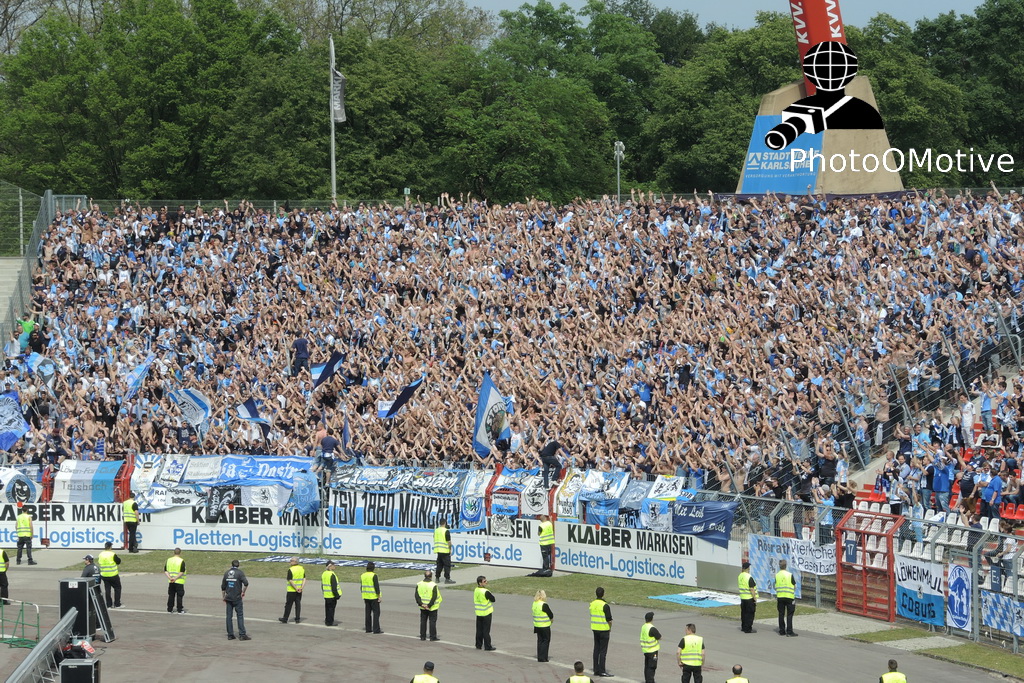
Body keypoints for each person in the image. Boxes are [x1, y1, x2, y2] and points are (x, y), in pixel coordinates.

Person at [222, 559, 250, 641]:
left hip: (228, 597)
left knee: (229, 616)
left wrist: (223, 597)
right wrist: (243, 592)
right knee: (240, 615)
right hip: (237, 597)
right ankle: (242, 634)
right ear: (238, 565)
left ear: (231, 565)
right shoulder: (240, 573)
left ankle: (230, 635)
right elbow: (246, 583)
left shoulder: (226, 573)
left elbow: (223, 587)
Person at [590, 586, 613, 677]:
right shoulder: (605, 605)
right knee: (603, 651)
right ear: (603, 594)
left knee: (596, 649)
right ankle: (602, 670)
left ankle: (596, 669)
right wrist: (610, 627)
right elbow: (609, 619)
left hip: (595, 628)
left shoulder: (592, 604)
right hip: (604, 629)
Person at [415, 569, 441, 641]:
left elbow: (417, 595)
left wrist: (421, 604)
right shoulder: (433, 585)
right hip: (432, 607)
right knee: (432, 621)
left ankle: (422, 636)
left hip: (422, 607)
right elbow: (434, 597)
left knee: (423, 621)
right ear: (431, 576)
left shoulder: (419, 584)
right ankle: (432, 637)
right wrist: (429, 605)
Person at [279, 556, 305, 623]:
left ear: (295, 562)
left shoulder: (291, 570)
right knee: (298, 604)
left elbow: (290, 580)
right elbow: (304, 579)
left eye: (291, 561)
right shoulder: (301, 568)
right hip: (299, 590)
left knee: (288, 605)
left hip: (291, 590)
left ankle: (285, 618)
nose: (290, 562)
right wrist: (301, 588)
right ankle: (297, 619)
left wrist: (296, 588)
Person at [473, 575, 496, 650]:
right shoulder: (485, 591)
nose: (486, 582)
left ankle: (478, 645)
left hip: (479, 613)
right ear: (480, 583)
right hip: (486, 613)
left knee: (479, 630)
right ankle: (487, 646)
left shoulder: (476, 590)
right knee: (486, 631)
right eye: (484, 581)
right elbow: (493, 599)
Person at [775, 559, 797, 637]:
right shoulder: (789, 575)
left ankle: (782, 630)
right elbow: (794, 586)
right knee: (789, 614)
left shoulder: (777, 575)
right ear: (786, 566)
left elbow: (775, 586)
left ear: (779, 566)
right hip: (789, 597)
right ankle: (789, 631)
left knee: (781, 614)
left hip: (780, 596)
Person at [97, 541, 122, 608]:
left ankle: (108, 604)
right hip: (113, 574)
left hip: (104, 575)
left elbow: (99, 562)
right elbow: (118, 561)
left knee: (107, 589)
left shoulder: (101, 554)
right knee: (117, 588)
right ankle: (117, 603)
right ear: (110, 547)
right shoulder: (112, 554)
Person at [361, 561, 383, 633]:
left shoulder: (363, 575)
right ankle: (376, 629)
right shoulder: (374, 575)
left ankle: (368, 628)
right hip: (373, 597)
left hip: (366, 596)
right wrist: (379, 596)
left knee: (368, 613)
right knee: (376, 613)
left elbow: (361, 586)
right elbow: (376, 586)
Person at [640, 611, 661, 683]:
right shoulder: (652, 628)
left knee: (647, 666)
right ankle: (650, 681)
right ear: (652, 619)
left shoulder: (644, 626)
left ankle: (647, 680)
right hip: (653, 651)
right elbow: (659, 637)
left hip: (646, 650)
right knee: (652, 667)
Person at [533, 589, 554, 662]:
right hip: (544, 625)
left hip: (537, 625)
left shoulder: (535, 604)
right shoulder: (543, 605)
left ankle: (540, 656)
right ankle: (543, 657)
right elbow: (550, 614)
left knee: (540, 640)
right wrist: (551, 620)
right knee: (546, 641)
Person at [738, 561, 758, 633]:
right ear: (747, 568)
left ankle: (743, 627)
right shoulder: (749, 577)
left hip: (743, 598)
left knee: (744, 613)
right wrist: (755, 598)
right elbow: (751, 588)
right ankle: (748, 628)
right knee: (750, 614)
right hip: (749, 598)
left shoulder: (740, 576)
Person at [164, 547, 186, 613]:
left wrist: (170, 578)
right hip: (179, 581)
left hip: (171, 581)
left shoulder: (169, 560)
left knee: (171, 595)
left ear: (174, 552)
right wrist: (175, 578)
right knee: (179, 595)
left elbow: (165, 570)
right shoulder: (181, 561)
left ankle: (169, 609)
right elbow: (182, 571)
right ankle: (179, 609)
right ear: (180, 553)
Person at [433, 519, 454, 584]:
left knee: (439, 565)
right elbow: (449, 541)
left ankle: (437, 578)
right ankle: (447, 579)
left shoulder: (436, 530)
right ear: (445, 523)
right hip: (445, 550)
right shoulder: (446, 531)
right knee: (447, 565)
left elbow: (434, 538)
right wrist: (450, 549)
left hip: (438, 550)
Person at [322, 560, 341, 626]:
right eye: (333, 565)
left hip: (326, 594)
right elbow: (334, 587)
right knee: (331, 609)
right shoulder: (332, 575)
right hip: (332, 595)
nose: (334, 566)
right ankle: (330, 622)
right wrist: (337, 595)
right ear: (330, 566)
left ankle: (327, 621)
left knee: (327, 609)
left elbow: (322, 585)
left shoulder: (324, 574)